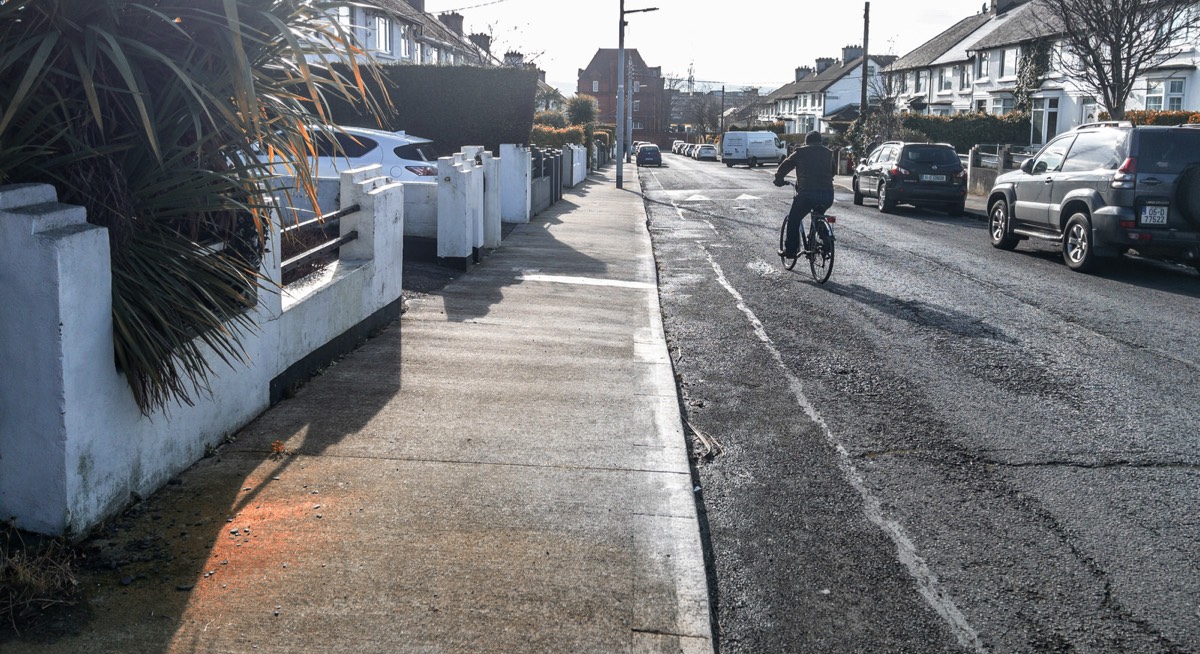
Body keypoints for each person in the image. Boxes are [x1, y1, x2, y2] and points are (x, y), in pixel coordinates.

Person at [773, 130, 834, 257]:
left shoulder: (801, 152)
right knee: (818, 214)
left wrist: (779, 179)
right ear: (820, 141)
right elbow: (833, 171)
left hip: (806, 194)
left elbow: (785, 166)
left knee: (793, 220)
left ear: (806, 142)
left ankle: (790, 251)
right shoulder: (828, 153)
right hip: (828, 195)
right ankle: (824, 238)